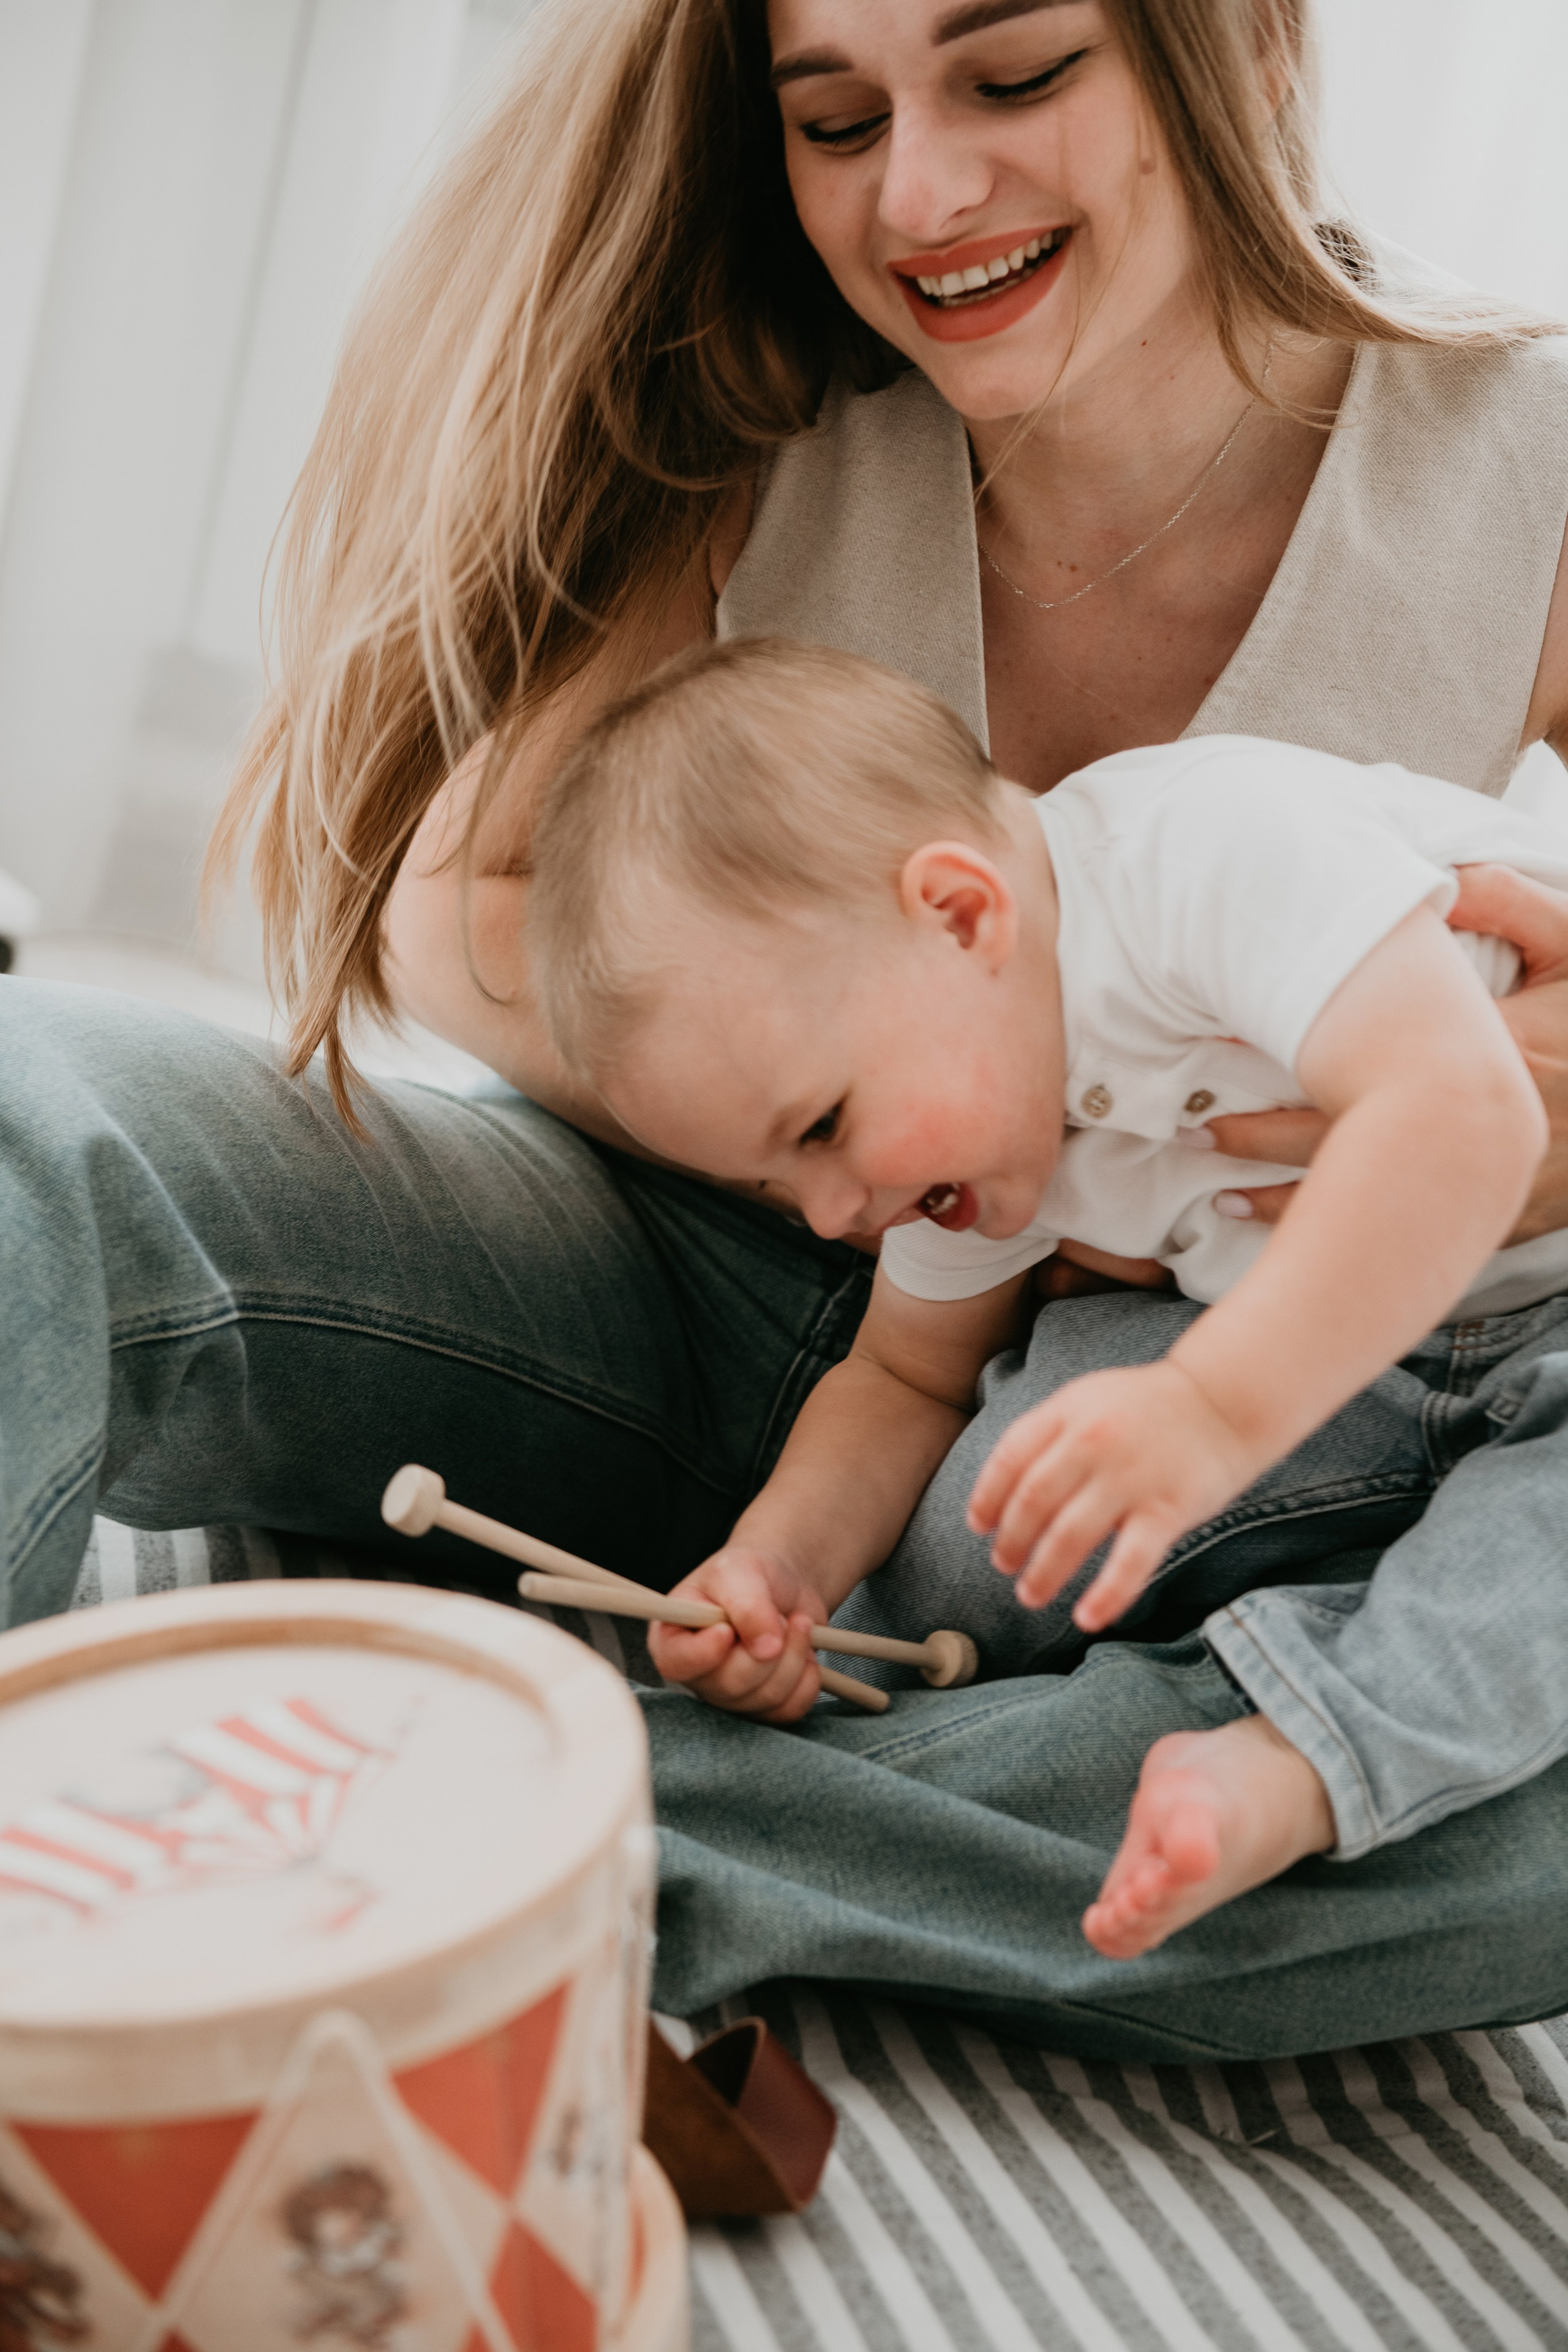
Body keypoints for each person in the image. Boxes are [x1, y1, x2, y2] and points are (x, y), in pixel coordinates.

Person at [6, 0, 1568, 2057]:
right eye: (836, 119)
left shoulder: (1515, 457)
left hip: (1264, 1437)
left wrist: (1483, 1133)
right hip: (711, 1303)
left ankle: (611, 1824)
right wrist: (858, 1130)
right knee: (36, 1127)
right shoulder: (767, 414)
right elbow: (447, 915)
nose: (917, 193)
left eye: (1015, 78)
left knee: (1481, 1770)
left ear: (1245, 43)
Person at [525, 630, 1568, 1962]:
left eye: (826, 1127)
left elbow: (1467, 1114)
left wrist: (1206, 1409)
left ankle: (1306, 1762)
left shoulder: (1203, 855)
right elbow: (903, 1375)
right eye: (786, 1191)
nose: (839, 1212)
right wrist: (780, 1567)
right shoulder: (977, 1082)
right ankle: (910, 1710)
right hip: (1373, 1349)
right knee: (984, 1538)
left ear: (960, 915)